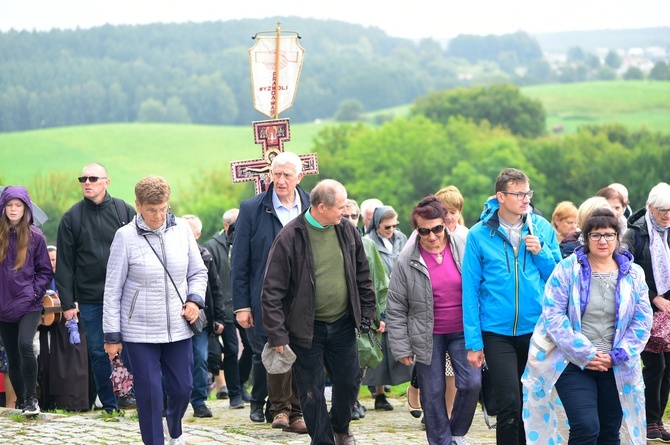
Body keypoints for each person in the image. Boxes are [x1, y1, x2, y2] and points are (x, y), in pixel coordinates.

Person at [522, 208, 652, 444]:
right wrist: (586, 353)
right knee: (586, 426)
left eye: (609, 235)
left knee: (609, 430)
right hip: (571, 361)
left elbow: (642, 320)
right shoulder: (567, 269)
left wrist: (617, 355)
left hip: (616, 364)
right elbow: (553, 315)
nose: (603, 240)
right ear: (586, 238)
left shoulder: (634, 274)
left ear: (617, 237)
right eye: (596, 235)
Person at [261, 179, 376, 445]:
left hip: (343, 324)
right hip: (306, 329)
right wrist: (277, 334)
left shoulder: (347, 230)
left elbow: (362, 275)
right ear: (321, 207)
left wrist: (367, 312)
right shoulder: (289, 237)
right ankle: (322, 440)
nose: (344, 212)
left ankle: (340, 428)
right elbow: (271, 291)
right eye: (340, 207)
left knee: (348, 384)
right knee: (311, 392)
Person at [103, 175, 208, 445]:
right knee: (149, 396)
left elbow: (198, 271)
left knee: (183, 388)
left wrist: (195, 301)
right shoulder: (124, 237)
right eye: (151, 210)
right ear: (138, 205)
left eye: (163, 208)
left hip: (178, 326)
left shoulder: (183, 229)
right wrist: (112, 336)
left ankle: (174, 427)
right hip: (139, 331)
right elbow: (112, 289)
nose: (158, 215)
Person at [462, 167, 561, 444]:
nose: (525, 198)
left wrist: (540, 253)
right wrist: (474, 342)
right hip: (496, 333)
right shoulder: (479, 235)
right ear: (500, 196)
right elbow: (469, 291)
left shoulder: (542, 228)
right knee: (508, 404)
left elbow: (557, 280)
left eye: (527, 192)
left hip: (536, 330)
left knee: (532, 403)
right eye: (518, 193)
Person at [387, 195, 481, 445]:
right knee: (433, 392)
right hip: (427, 333)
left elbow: (483, 286)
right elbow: (395, 306)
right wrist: (402, 346)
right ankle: (440, 441)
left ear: (447, 223)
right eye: (424, 231)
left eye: (437, 228)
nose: (431, 236)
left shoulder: (464, 245)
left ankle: (457, 432)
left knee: (472, 383)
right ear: (416, 230)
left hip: (463, 330)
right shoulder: (406, 260)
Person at [231, 151, 307, 432]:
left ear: (300, 176)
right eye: (276, 174)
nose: (281, 180)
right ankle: (280, 410)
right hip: (266, 294)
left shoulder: (311, 205)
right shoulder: (252, 208)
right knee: (275, 348)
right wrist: (241, 305)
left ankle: (297, 411)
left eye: (287, 174)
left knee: (301, 349)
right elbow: (240, 261)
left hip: (303, 296)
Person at [56, 162, 137, 413]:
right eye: (83, 179)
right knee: (98, 353)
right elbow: (65, 265)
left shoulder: (125, 211)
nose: (87, 183)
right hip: (91, 298)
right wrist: (68, 305)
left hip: (125, 295)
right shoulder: (72, 217)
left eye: (92, 178)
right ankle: (110, 406)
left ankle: (139, 398)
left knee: (133, 348)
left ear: (106, 182)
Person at [623, 182, 670, 441]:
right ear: (650, 207)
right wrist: (654, 298)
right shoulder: (635, 234)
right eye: (662, 209)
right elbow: (628, 272)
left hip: (668, 312)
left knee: (668, 367)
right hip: (644, 309)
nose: (667, 215)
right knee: (655, 365)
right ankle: (649, 420)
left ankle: (657, 420)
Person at [0, 186, 53, 415]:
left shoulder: (36, 237)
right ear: (3, 207)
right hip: (2, 304)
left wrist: (34, 293)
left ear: (26, 208)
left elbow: (45, 271)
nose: (13, 209)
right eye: (9, 205)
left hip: (28, 304)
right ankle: (22, 401)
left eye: (18, 205)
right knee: (12, 354)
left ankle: (32, 399)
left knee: (25, 346)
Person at [343, 198, 388, 420]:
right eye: (345, 216)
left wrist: (380, 315)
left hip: (363, 313)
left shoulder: (368, 245)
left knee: (362, 356)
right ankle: (345, 402)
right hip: (339, 313)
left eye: (354, 216)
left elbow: (379, 283)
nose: (350, 220)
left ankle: (353, 399)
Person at [364, 205, 411, 409]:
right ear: (377, 225)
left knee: (405, 342)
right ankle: (380, 393)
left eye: (395, 225)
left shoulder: (401, 238)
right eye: (387, 226)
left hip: (402, 295)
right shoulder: (368, 242)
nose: (391, 230)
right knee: (380, 344)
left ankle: (414, 388)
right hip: (380, 296)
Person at [203, 208, 249, 407]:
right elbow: (210, 281)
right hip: (226, 307)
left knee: (253, 348)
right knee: (230, 349)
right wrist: (216, 312)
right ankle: (235, 395)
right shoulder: (212, 247)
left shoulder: (247, 241)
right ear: (226, 225)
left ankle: (239, 383)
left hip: (246, 305)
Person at [182, 214, 226, 418]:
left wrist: (218, 317)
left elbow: (215, 288)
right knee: (173, 361)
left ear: (198, 234)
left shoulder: (205, 256)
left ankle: (199, 401)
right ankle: (168, 401)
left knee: (200, 359)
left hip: (200, 318)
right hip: (174, 318)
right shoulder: (171, 253)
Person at [37, 244, 89, 411]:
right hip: (48, 325)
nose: (52, 263)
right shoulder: (40, 277)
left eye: (54, 260)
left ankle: (74, 402)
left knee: (74, 362)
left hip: (70, 323)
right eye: (49, 260)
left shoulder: (70, 276)